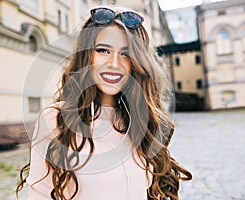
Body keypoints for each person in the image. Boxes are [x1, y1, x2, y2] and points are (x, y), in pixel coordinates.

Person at [17, 5, 192, 200]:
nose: (114, 64)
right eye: (103, 50)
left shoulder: (143, 123)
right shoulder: (56, 120)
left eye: (125, 53)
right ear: (87, 55)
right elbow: (39, 195)